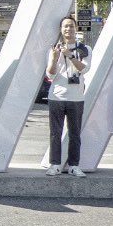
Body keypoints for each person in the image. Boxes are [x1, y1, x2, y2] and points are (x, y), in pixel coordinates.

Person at [45, 15, 90, 177]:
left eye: (71, 26)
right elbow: (50, 75)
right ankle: (55, 164)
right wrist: (54, 58)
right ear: (61, 29)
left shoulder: (84, 49)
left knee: (75, 133)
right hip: (56, 96)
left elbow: (84, 69)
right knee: (55, 133)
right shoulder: (54, 49)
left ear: (76, 28)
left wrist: (70, 55)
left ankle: (73, 165)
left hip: (76, 97)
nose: (68, 29)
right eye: (65, 26)